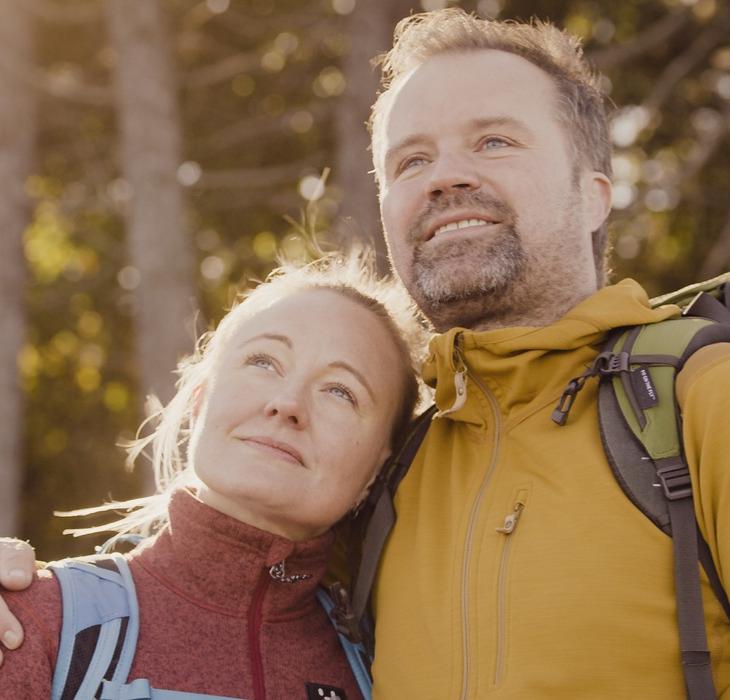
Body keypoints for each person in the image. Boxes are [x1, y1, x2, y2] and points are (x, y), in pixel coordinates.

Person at [2, 7, 730, 698]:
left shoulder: (699, 394)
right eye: (412, 159)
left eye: (494, 141)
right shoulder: (400, 469)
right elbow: (228, 567)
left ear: (596, 192)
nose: (445, 176)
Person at [0, 253, 424, 699]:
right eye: (264, 361)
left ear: (378, 465)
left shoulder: (389, 669)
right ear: (200, 399)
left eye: (341, 391)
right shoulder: (34, 624)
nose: (288, 403)